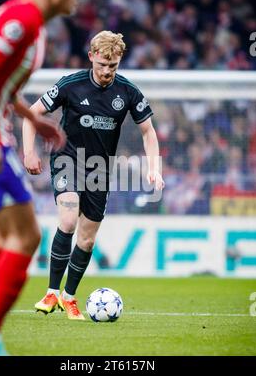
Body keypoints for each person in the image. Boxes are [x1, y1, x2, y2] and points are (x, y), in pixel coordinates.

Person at [0, 0, 78, 356]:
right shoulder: (23, 17)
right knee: (25, 237)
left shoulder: (30, 20)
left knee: (8, 237)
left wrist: (31, 116)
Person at [23, 30, 165, 320]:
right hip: (68, 160)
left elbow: (148, 132)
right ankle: (51, 293)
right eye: (101, 65)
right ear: (91, 57)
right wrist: (29, 152)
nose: (106, 72)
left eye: (112, 66)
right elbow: (32, 113)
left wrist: (154, 168)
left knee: (87, 241)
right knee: (67, 219)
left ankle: (69, 297)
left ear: (119, 61)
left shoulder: (127, 91)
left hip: (99, 169)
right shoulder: (71, 84)